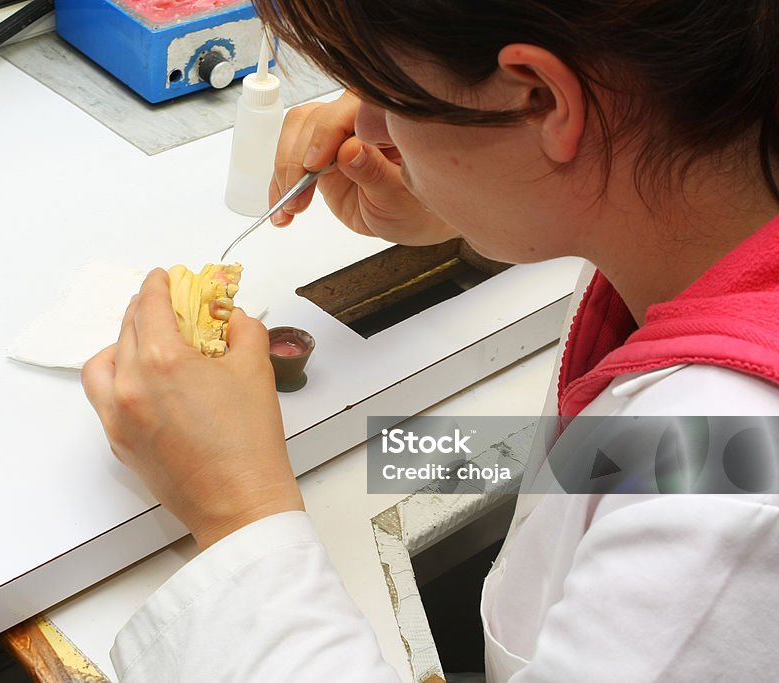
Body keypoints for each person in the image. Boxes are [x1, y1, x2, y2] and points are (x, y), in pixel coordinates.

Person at [82, 1, 779, 680]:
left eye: (386, 93)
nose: (369, 127)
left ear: (537, 98)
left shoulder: (731, 487)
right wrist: (475, 189)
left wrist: (235, 506)